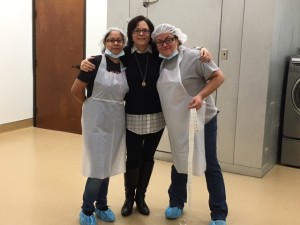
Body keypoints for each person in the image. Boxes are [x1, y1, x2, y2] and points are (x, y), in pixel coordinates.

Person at [80, 15, 212, 217]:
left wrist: (202, 48)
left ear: (150, 34)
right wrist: (85, 62)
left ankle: (141, 197)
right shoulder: (123, 54)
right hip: (131, 114)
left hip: (157, 115)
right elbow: (103, 59)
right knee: (132, 159)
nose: (141, 33)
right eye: (136, 30)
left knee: (147, 158)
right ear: (131, 34)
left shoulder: (160, 52)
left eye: (145, 30)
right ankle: (128, 198)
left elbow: (180, 48)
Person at [151, 24, 228, 225]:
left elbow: (219, 76)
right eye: (160, 41)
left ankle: (219, 213)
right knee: (179, 160)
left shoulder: (195, 57)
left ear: (178, 39)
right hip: (177, 121)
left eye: (169, 39)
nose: (165, 44)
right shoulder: (159, 62)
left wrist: (201, 95)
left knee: (210, 164)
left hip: (202, 119)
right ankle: (176, 201)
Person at [71, 27, 129, 225]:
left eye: (119, 40)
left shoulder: (125, 64)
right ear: (104, 43)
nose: (115, 43)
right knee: (97, 165)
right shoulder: (94, 63)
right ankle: (87, 209)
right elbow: (76, 90)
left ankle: (102, 205)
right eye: (111, 40)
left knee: (109, 162)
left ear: (124, 43)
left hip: (116, 119)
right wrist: (89, 105)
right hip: (96, 118)